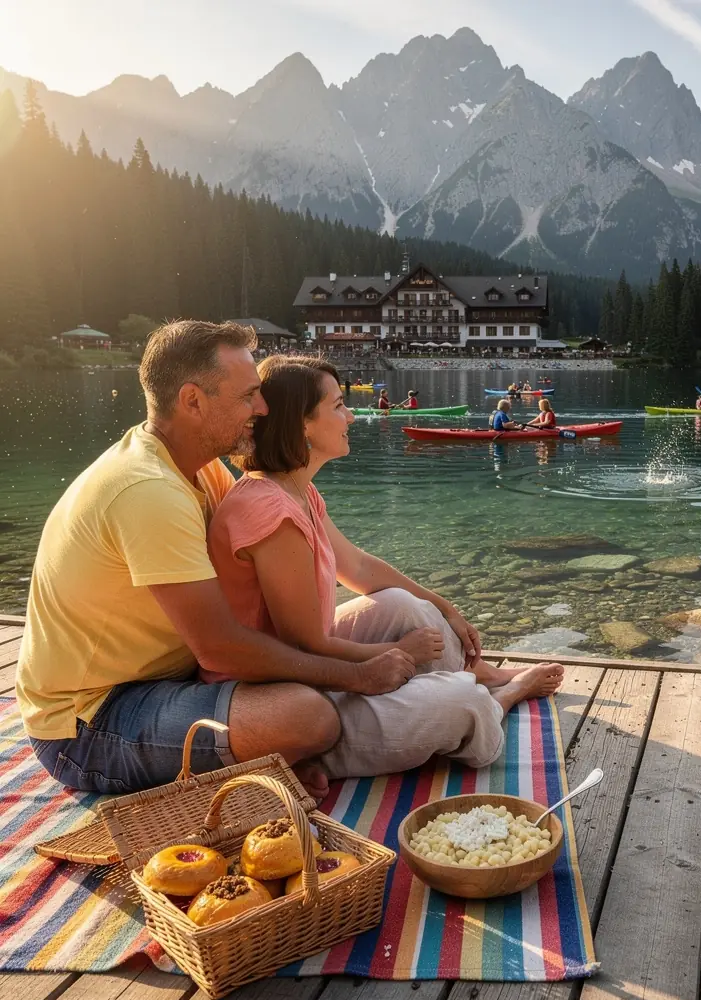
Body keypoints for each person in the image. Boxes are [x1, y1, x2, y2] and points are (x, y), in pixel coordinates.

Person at [14, 320, 414, 799]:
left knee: (370, 633)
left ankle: (258, 758)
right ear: (192, 401)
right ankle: (270, 759)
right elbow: (221, 648)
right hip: (89, 722)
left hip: (170, 682)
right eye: (248, 396)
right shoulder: (149, 490)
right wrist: (357, 675)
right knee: (308, 717)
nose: (263, 408)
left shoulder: (201, 471)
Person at [207, 356, 563, 778]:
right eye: (339, 406)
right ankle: (496, 699)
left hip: (306, 666)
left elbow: (357, 565)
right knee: (458, 704)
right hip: (276, 694)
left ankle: (480, 677)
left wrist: (444, 604)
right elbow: (301, 646)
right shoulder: (270, 512)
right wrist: (395, 654)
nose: (351, 415)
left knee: (405, 605)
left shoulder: (293, 491)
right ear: (301, 424)